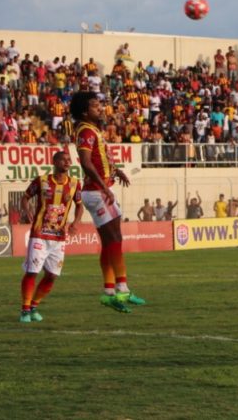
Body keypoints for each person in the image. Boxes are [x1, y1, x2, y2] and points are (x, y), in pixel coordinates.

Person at [72, 91, 145, 313]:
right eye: (95, 106)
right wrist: (104, 187)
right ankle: (121, 289)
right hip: (97, 191)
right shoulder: (85, 130)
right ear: (85, 111)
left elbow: (99, 159)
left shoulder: (93, 130)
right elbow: (85, 162)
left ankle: (110, 291)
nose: (100, 108)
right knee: (114, 238)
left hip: (100, 189)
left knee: (111, 240)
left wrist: (116, 171)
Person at [19, 151, 84, 323]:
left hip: (59, 236)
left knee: (52, 275)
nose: (68, 162)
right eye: (64, 159)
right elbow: (25, 198)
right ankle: (25, 310)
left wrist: (75, 222)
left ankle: (34, 306)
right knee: (32, 272)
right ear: (54, 161)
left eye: (69, 160)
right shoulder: (42, 181)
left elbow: (79, 206)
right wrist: (27, 211)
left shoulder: (75, 184)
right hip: (40, 233)